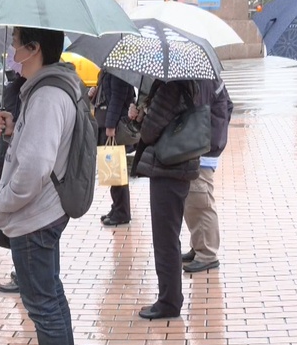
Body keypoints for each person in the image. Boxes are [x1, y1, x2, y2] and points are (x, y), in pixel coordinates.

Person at [0, 26, 81, 345]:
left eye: (16, 45)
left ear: (34, 49)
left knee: (43, 306)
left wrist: (3, 201)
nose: (12, 52)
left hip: (34, 216)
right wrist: (11, 129)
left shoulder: (46, 96)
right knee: (52, 299)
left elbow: (34, 167)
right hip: (44, 211)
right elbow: (38, 147)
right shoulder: (47, 89)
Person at [128, 79, 212, 320]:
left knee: (165, 239)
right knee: (169, 237)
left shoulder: (170, 87)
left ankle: (169, 301)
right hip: (178, 167)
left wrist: (140, 115)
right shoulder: (187, 84)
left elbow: (150, 131)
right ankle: (170, 298)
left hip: (169, 169)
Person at [0, 55, 27, 294]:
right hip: (20, 170)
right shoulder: (32, 88)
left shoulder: (16, 90)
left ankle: (22, 275)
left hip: (15, 170)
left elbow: (6, 139)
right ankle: (23, 274)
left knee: (14, 224)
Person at [182, 78, 234, 273]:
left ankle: (207, 254)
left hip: (202, 149)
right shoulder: (208, 76)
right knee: (192, 201)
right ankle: (198, 246)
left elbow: (196, 112)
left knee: (200, 201)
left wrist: (213, 136)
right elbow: (228, 106)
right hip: (205, 147)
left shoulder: (203, 80)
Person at [91, 70, 136, 226]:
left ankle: (122, 212)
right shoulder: (107, 71)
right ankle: (117, 207)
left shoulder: (118, 72)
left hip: (114, 127)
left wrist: (110, 125)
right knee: (112, 169)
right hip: (107, 124)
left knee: (116, 171)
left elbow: (117, 99)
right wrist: (93, 93)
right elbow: (106, 97)